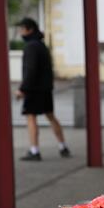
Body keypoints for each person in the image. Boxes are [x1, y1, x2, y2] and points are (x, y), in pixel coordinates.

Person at [15, 17, 70, 161]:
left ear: (29, 29)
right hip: (45, 88)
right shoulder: (41, 45)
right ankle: (63, 146)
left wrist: (22, 89)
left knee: (31, 117)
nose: (20, 32)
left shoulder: (31, 46)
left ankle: (34, 150)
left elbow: (30, 70)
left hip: (34, 89)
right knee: (51, 116)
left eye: (22, 29)